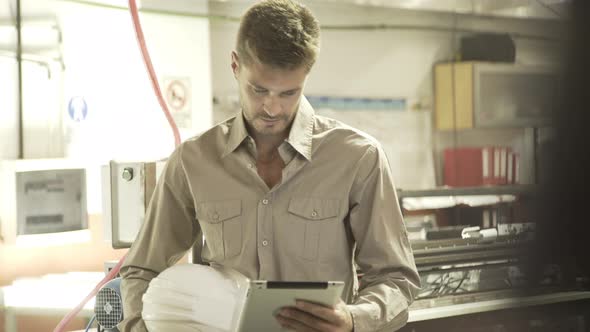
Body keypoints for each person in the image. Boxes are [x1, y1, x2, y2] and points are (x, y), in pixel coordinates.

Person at [119, 1, 420, 331]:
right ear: (236, 66)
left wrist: (353, 319)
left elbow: (396, 278)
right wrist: (138, 327)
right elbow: (141, 269)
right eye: (258, 89)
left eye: (289, 93)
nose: (272, 108)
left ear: (306, 77)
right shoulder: (194, 160)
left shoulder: (358, 158)